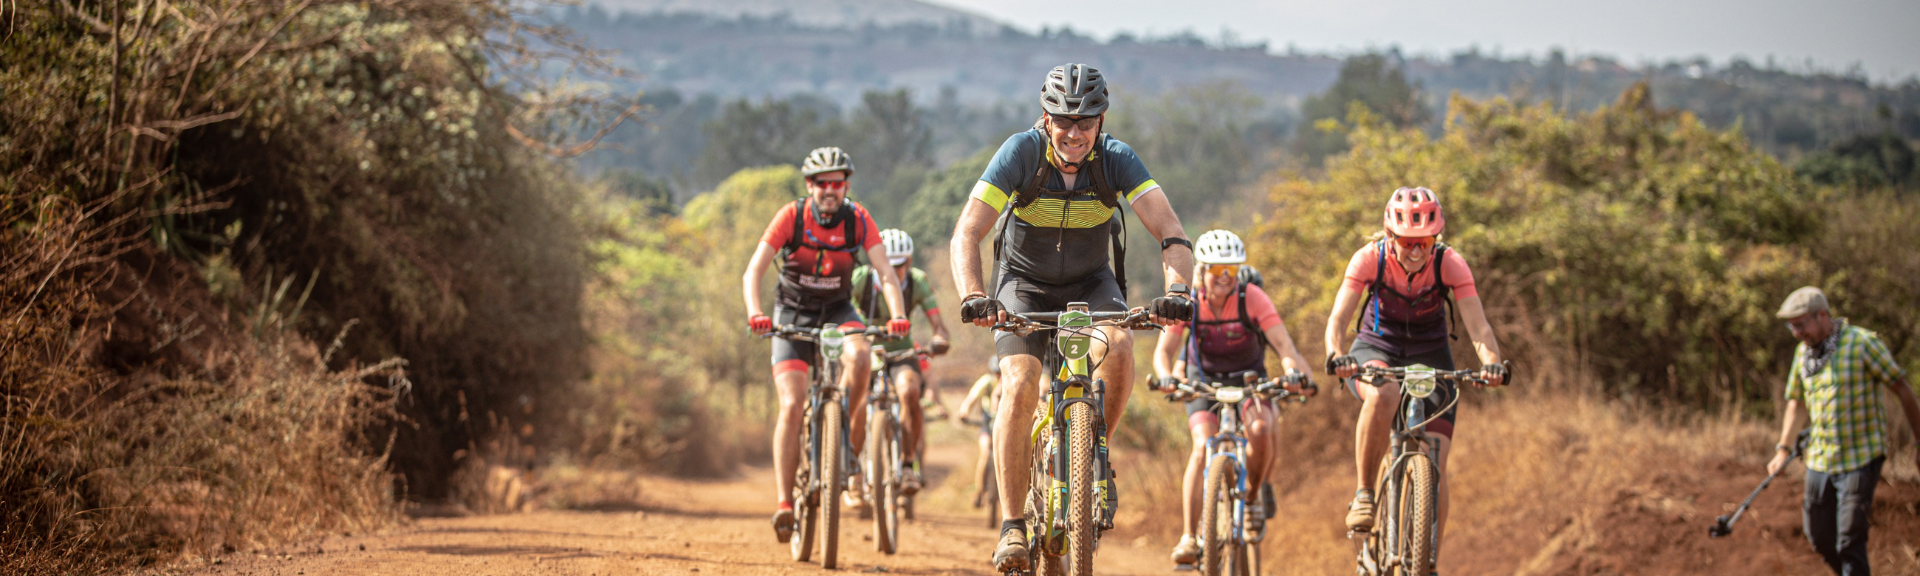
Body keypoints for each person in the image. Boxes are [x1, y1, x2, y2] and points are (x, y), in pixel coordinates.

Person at [948, 63, 1197, 572]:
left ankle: (1088, 453)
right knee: (1019, 382)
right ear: (1046, 117)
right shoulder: (1020, 153)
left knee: (1122, 347)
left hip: (1091, 285)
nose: (1075, 132)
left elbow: (1171, 232)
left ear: (1102, 121)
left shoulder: (1116, 159)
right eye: (1064, 120)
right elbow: (967, 232)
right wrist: (975, 294)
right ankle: (1013, 526)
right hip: (1022, 286)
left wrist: (1178, 290)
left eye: (1087, 121)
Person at [1324, 187, 1508, 573]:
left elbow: (1478, 326)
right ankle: (1364, 494)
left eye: (1424, 242)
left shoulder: (1450, 263)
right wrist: (1335, 354)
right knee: (1384, 393)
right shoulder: (1368, 259)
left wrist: (1491, 362)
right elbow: (1339, 319)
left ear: (1435, 239)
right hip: (1376, 348)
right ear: (1389, 237)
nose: (1415, 251)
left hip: (1430, 356)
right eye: (1407, 242)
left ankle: (1428, 562)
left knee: (1435, 462)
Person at [743, 147, 910, 543]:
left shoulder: (858, 218)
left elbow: (885, 272)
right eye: (822, 183)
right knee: (791, 402)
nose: (830, 190)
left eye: (837, 183)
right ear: (810, 186)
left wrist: (898, 313)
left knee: (862, 356)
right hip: (791, 313)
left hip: (838, 310)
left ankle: (845, 449)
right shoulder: (792, 216)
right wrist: (755, 312)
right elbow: (755, 270)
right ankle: (785, 504)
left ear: (846, 186)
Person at [1150, 230, 1314, 566]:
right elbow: (1164, 351)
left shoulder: (1252, 297)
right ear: (1203, 270)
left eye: (1232, 271)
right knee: (1200, 447)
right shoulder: (1190, 299)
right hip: (1203, 380)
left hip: (1249, 380)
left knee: (1261, 430)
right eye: (1217, 270)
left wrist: (1292, 370)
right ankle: (1189, 536)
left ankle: (1252, 497)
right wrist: (1167, 375)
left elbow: (1283, 345)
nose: (1225, 278)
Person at [1767, 286, 1920, 576]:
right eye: (1792, 327)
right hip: (1819, 460)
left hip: (1860, 459)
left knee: (1849, 541)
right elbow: (1797, 402)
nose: (1797, 333)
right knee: (1819, 538)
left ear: (1822, 315)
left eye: (1800, 325)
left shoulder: (1862, 344)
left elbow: (1903, 389)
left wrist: (1919, 442)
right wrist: (1784, 448)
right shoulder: (1804, 354)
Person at [850, 229, 952, 496]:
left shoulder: (918, 282)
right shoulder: (860, 280)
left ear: (910, 261)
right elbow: (846, 314)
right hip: (865, 349)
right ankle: (853, 472)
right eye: (888, 264)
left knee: (909, 391)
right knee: (857, 403)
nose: (895, 271)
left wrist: (939, 338)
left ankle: (908, 466)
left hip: (901, 351)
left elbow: (938, 325)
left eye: (901, 265)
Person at [955, 357, 1003, 508]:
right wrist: (964, 411)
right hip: (987, 423)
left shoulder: (1012, 381)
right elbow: (972, 397)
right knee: (985, 453)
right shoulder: (987, 381)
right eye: (997, 373)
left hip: (1004, 423)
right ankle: (979, 491)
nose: (999, 376)